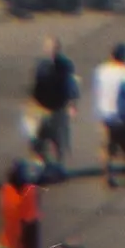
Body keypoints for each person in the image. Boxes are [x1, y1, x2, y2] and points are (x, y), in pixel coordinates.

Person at [92, 41, 125, 189]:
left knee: (107, 146)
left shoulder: (101, 70)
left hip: (104, 113)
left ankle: (107, 175)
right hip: (121, 114)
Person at [28, 36, 77, 182]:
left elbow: (71, 85)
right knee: (36, 139)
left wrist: (72, 105)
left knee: (58, 139)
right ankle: (45, 163)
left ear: (58, 48)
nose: (51, 50)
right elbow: (35, 87)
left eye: (54, 47)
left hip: (58, 108)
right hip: (40, 108)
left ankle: (59, 166)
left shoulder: (65, 65)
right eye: (48, 47)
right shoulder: (41, 65)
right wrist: (30, 105)